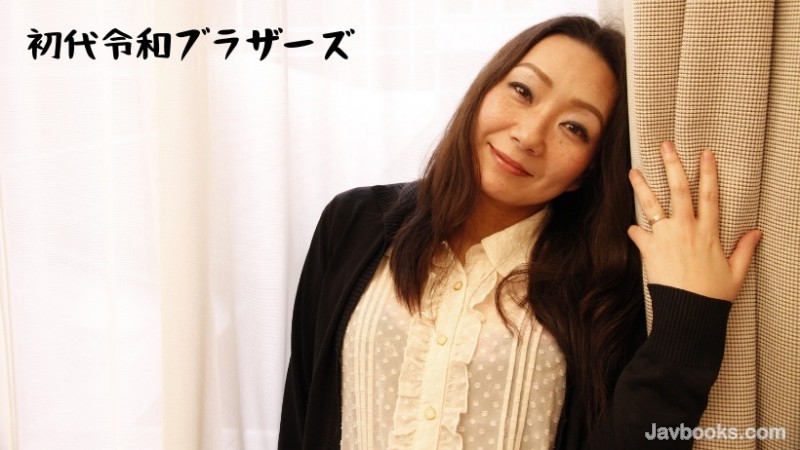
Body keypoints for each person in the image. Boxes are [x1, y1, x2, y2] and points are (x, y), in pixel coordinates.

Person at [278, 15, 762, 450]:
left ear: (586, 172)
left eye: (574, 128)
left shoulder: (603, 285)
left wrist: (689, 316)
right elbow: (302, 411)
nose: (529, 136)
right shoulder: (353, 223)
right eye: (523, 91)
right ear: (483, 90)